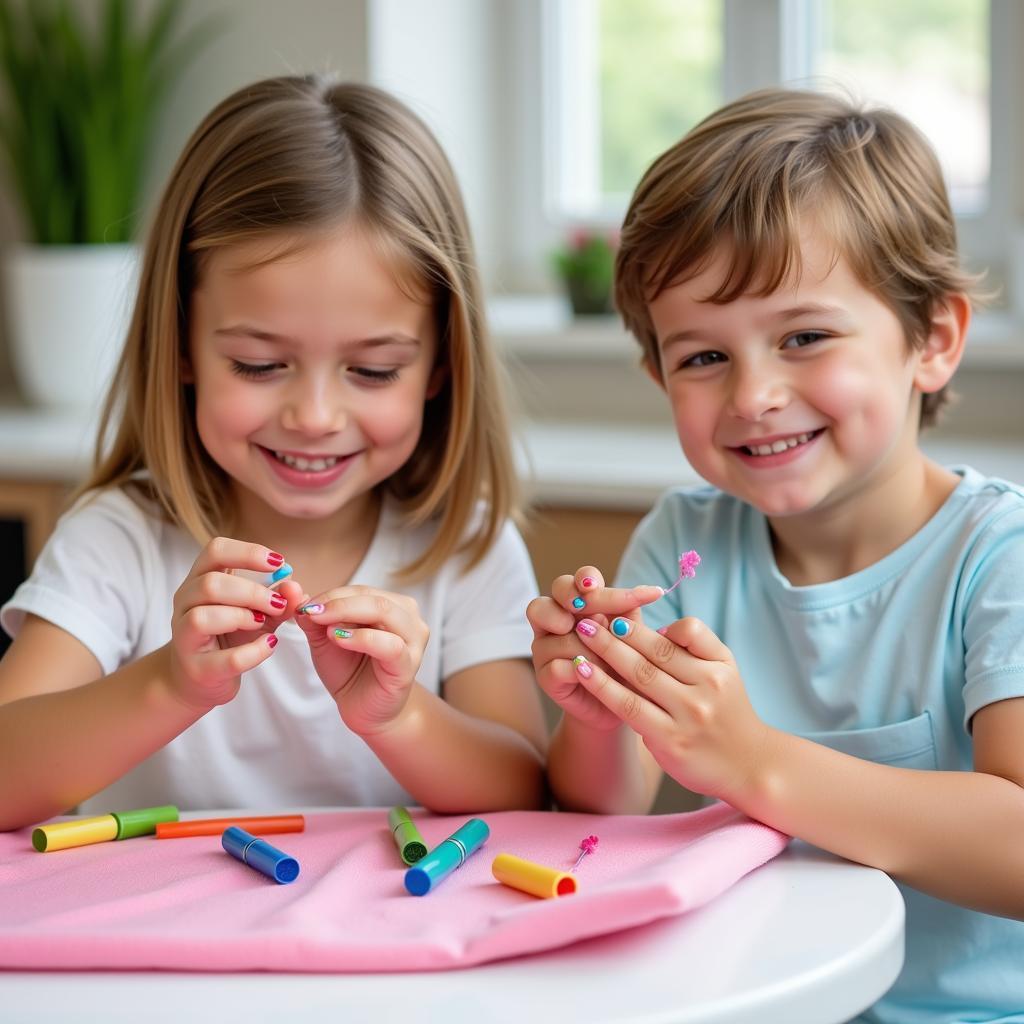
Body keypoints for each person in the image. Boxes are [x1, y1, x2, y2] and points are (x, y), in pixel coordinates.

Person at [528, 88, 1024, 1022]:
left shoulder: (999, 559)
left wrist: (753, 760)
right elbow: (602, 818)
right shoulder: (682, 542)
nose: (754, 394)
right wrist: (596, 717)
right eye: (703, 357)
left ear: (934, 340)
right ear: (658, 374)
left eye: (804, 337)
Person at [0, 75, 548, 830]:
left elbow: (526, 789)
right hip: (146, 947)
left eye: (373, 371)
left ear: (441, 365)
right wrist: (171, 684)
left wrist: (398, 717)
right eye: (259, 365)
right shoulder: (119, 538)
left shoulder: (466, 546)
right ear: (182, 346)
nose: (315, 417)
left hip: (379, 942)